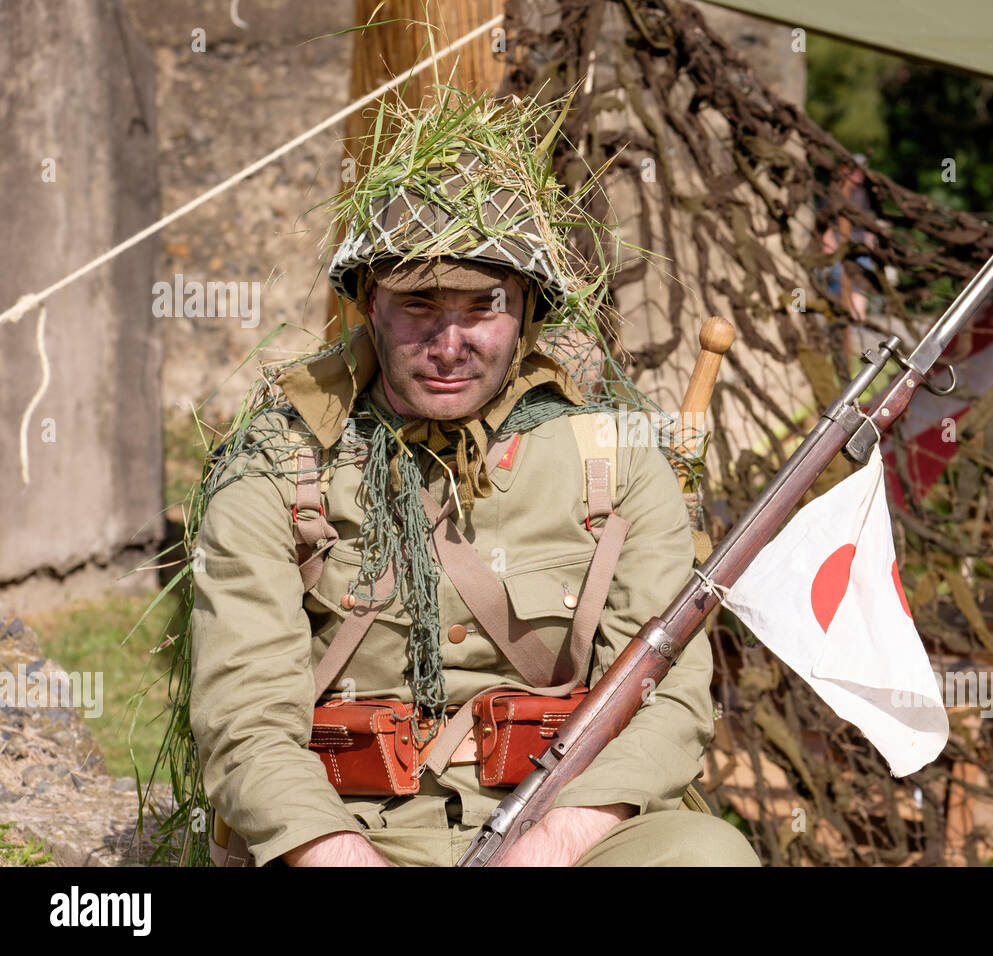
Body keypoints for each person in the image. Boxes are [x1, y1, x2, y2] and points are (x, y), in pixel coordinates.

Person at [188, 94, 760, 868]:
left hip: (560, 825)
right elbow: (245, 716)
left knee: (706, 858)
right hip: (347, 833)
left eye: (483, 306)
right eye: (418, 303)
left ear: (526, 314)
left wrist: (554, 845)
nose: (449, 344)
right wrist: (337, 855)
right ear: (367, 306)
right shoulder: (276, 465)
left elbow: (669, 697)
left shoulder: (616, 460)